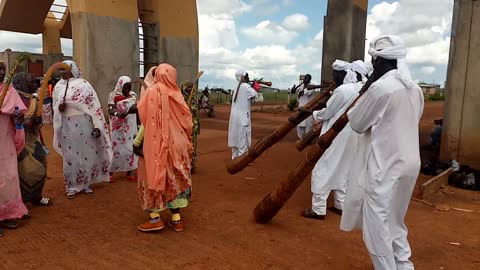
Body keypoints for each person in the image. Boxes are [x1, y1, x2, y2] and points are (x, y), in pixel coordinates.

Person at [341, 35, 424, 270]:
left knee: (376, 228)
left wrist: (367, 89)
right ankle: (405, 266)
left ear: (377, 61)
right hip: (409, 164)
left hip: (385, 166)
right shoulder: (414, 88)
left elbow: (357, 122)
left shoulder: (381, 88)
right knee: (396, 222)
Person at [135, 63, 193, 233]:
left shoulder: (154, 92)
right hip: (178, 146)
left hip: (156, 146)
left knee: (153, 176)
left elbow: (148, 122)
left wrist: (137, 142)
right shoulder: (177, 94)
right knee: (175, 179)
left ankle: (155, 219)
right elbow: (188, 123)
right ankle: (176, 220)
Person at [301, 60, 361, 220]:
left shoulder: (341, 91)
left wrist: (313, 114)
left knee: (323, 167)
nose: (333, 78)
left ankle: (318, 209)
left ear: (342, 74)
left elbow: (328, 113)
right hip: (351, 136)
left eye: (335, 75)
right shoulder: (358, 89)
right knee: (343, 169)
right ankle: (340, 205)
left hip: (335, 136)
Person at [52, 60, 112, 199]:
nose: (61, 72)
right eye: (60, 70)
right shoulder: (58, 87)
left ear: (72, 70)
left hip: (84, 123)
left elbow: (94, 106)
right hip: (66, 125)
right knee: (70, 156)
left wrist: (97, 126)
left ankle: (85, 184)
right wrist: (58, 109)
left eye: (64, 69)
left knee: (85, 154)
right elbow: (54, 105)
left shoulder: (84, 85)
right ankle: (71, 186)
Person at [12, 72, 53, 208]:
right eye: (31, 81)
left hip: (32, 139)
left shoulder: (34, 100)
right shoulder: (11, 98)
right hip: (16, 141)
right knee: (21, 170)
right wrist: (22, 122)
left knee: (40, 164)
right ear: (22, 83)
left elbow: (37, 124)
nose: (35, 84)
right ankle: (20, 201)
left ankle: (36, 196)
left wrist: (37, 122)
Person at [0, 63, 29, 236]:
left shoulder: (10, 91)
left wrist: (18, 116)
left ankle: (7, 214)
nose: (1, 75)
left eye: (2, 73)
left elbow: (19, 113)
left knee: (9, 177)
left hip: (6, 140)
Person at [107, 76, 138, 182]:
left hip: (131, 127)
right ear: (120, 85)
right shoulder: (113, 95)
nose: (127, 89)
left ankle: (129, 172)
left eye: (129, 87)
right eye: (125, 87)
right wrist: (117, 113)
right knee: (116, 150)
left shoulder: (133, 95)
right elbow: (110, 109)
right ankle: (110, 173)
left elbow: (136, 108)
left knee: (130, 149)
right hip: (118, 127)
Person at [228, 69, 258, 160]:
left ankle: (235, 157)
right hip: (242, 117)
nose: (248, 77)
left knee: (235, 136)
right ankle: (242, 159)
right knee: (243, 138)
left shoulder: (236, 86)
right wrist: (255, 87)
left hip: (235, 116)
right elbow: (255, 95)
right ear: (241, 77)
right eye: (246, 76)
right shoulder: (245, 86)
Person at [291, 74, 323, 139]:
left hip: (309, 108)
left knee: (308, 124)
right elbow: (298, 95)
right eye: (305, 78)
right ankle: (301, 139)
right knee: (299, 124)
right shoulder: (301, 86)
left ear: (309, 79)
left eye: (307, 78)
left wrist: (302, 91)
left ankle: (307, 139)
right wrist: (293, 90)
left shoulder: (312, 86)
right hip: (301, 107)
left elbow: (306, 92)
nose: (305, 79)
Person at [181, 81, 200, 172]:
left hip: (194, 126)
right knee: (186, 146)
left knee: (194, 145)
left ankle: (192, 164)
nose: (190, 89)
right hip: (186, 127)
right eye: (188, 87)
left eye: (191, 87)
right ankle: (186, 164)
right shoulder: (181, 99)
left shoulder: (192, 98)